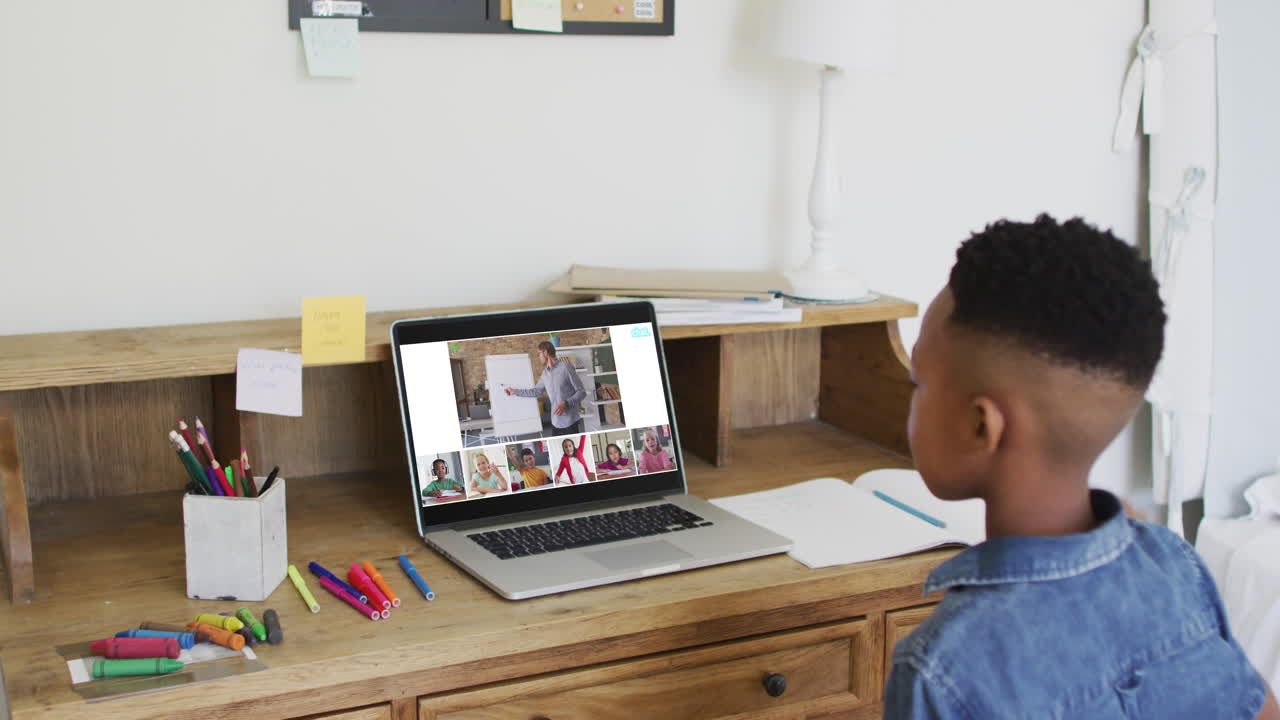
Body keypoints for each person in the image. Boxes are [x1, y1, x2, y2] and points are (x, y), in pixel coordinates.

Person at [884, 214, 1279, 719]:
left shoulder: (943, 667)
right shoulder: (1173, 564)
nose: (910, 398)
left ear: (982, 426)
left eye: (919, 381)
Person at [503, 341, 588, 437]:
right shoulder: (545, 374)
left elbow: (582, 392)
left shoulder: (566, 368)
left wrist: (566, 403)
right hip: (555, 423)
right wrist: (515, 391)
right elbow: (535, 391)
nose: (538, 357)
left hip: (570, 423)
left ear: (545, 352)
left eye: (539, 354)